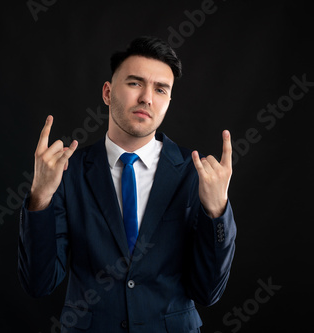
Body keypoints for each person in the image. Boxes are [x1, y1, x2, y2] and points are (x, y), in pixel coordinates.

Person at [18, 36, 236, 333]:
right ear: (108, 93)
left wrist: (217, 211)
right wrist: (40, 197)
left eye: (161, 89)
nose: (147, 98)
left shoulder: (195, 173)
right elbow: (38, 283)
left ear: (168, 102)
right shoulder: (68, 171)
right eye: (135, 83)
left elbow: (208, 292)